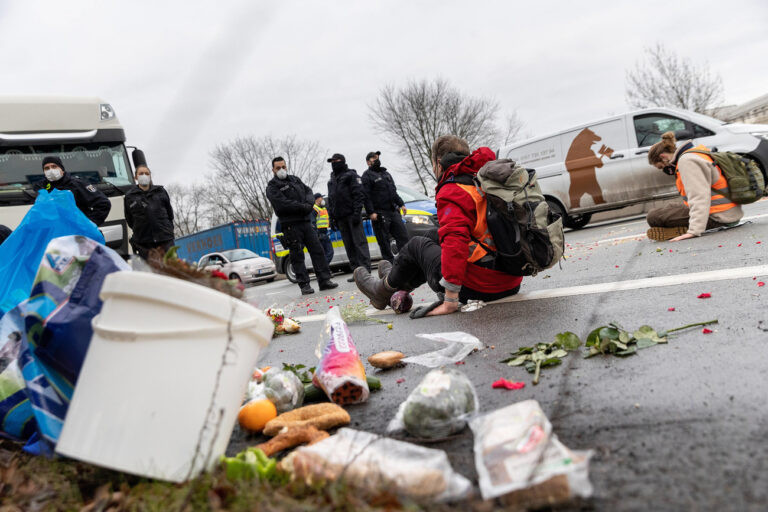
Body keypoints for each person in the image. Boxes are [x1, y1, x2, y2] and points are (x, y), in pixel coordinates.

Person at [354, 135, 523, 317]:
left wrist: (450, 300)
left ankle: (381, 291)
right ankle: (395, 282)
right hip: (510, 280)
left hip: (481, 288)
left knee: (416, 244)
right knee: (432, 235)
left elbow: (455, 242)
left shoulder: (453, 189)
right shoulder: (482, 180)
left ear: (438, 163)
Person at [645, 132, 743, 242]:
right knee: (670, 207)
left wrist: (694, 231)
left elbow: (699, 197)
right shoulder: (696, 152)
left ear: (663, 157)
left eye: (661, 167)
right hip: (729, 213)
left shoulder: (687, 161)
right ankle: (680, 228)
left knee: (653, 216)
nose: (665, 170)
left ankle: (684, 229)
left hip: (718, 218)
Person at [266, 157, 338, 295]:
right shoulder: (272, 187)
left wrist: (309, 204)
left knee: (318, 251)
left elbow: (309, 192)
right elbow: (282, 204)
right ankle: (304, 284)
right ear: (273, 170)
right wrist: (302, 207)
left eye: (283, 167)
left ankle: (324, 280)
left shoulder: (295, 180)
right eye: (278, 168)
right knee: (297, 255)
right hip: (290, 225)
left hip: (305, 222)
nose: (281, 170)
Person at [326, 153, 372, 281]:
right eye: (332, 161)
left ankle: (365, 270)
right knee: (349, 246)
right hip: (341, 218)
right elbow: (331, 200)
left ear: (343, 161)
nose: (334, 163)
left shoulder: (351, 176)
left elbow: (358, 195)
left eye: (336, 160)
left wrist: (357, 213)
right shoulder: (331, 180)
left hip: (352, 215)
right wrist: (332, 218)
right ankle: (356, 271)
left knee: (359, 243)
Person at [124, 150, 175, 259]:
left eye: (147, 173)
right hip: (144, 243)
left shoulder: (161, 191)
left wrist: (167, 230)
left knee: (171, 268)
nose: (144, 175)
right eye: (141, 173)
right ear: (136, 177)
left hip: (165, 239)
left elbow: (170, 214)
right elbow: (130, 220)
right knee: (151, 272)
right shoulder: (129, 197)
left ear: (150, 176)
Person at [34, 156, 111, 226]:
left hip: (78, 233)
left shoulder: (77, 184)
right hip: (55, 233)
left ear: (62, 169)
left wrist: (89, 224)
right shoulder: (42, 186)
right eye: (47, 168)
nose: (50, 170)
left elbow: (103, 204)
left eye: (54, 166)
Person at [361, 151, 409, 262]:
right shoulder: (366, 176)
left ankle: (406, 261)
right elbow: (366, 196)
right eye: (373, 158)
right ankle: (390, 266)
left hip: (393, 211)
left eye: (377, 157)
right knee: (384, 241)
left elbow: (393, 192)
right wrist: (371, 212)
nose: (376, 159)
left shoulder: (386, 174)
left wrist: (401, 204)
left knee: (403, 237)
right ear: (368, 162)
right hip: (379, 213)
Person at [311, 193, 334, 264]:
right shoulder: (314, 209)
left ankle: (324, 270)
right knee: (329, 252)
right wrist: (317, 234)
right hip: (320, 234)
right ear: (317, 199)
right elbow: (312, 223)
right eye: (321, 198)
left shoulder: (323, 208)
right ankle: (323, 269)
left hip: (324, 233)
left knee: (326, 254)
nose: (323, 199)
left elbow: (326, 221)